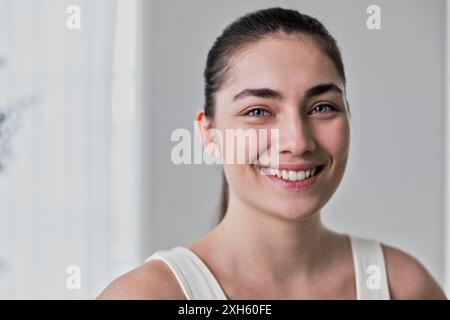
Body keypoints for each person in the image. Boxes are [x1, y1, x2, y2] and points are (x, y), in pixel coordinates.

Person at [98, 7, 446, 300]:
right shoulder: (149, 296)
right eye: (258, 111)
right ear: (209, 133)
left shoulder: (403, 286)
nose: (297, 142)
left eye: (322, 107)